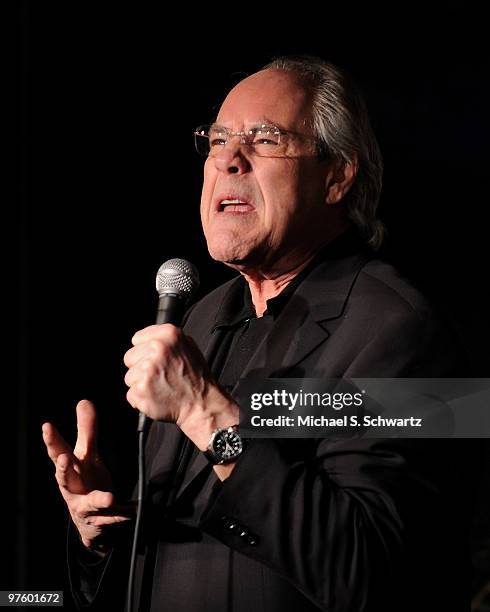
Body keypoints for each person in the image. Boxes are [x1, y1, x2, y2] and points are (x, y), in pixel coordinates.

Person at [42, 56, 475, 611]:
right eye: (217, 140)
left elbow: (373, 573)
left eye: (264, 139)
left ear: (338, 174)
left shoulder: (408, 330)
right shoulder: (201, 318)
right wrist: (101, 538)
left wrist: (205, 413)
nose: (228, 160)